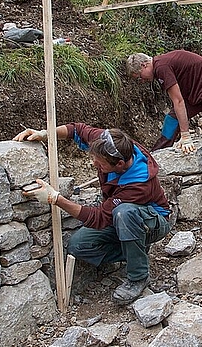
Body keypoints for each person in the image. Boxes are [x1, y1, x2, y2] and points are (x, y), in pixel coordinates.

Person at [13, 124, 172, 305]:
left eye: (100, 163)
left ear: (119, 164)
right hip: (122, 218)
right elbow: (76, 130)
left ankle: (138, 277)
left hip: (153, 220)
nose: (94, 164)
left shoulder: (139, 183)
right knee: (78, 246)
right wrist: (46, 134)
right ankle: (135, 249)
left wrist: (56, 199)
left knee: (124, 212)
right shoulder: (108, 142)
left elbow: (99, 217)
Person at [126, 50, 202, 212]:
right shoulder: (160, 66)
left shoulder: (161, 67)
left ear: (144, 64)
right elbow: (179, 102)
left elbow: (178, 100)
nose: (141, 81)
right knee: (171, 120)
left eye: (139, 76)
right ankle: (153, 158)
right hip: (196, 93)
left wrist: (186, 135)